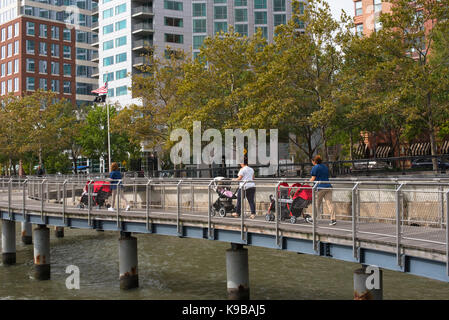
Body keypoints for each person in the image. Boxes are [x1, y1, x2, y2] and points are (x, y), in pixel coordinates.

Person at [308, 155, 336, 226]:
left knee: (316, 204)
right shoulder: (325, 167)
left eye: (312, 161)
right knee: (330, 204)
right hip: (328, 186)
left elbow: (313, 178)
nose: (312, 162)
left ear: (314, 161)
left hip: (320, 188)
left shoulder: (315, 167)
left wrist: (306, 182)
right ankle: (333, 219)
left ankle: (313, 219)